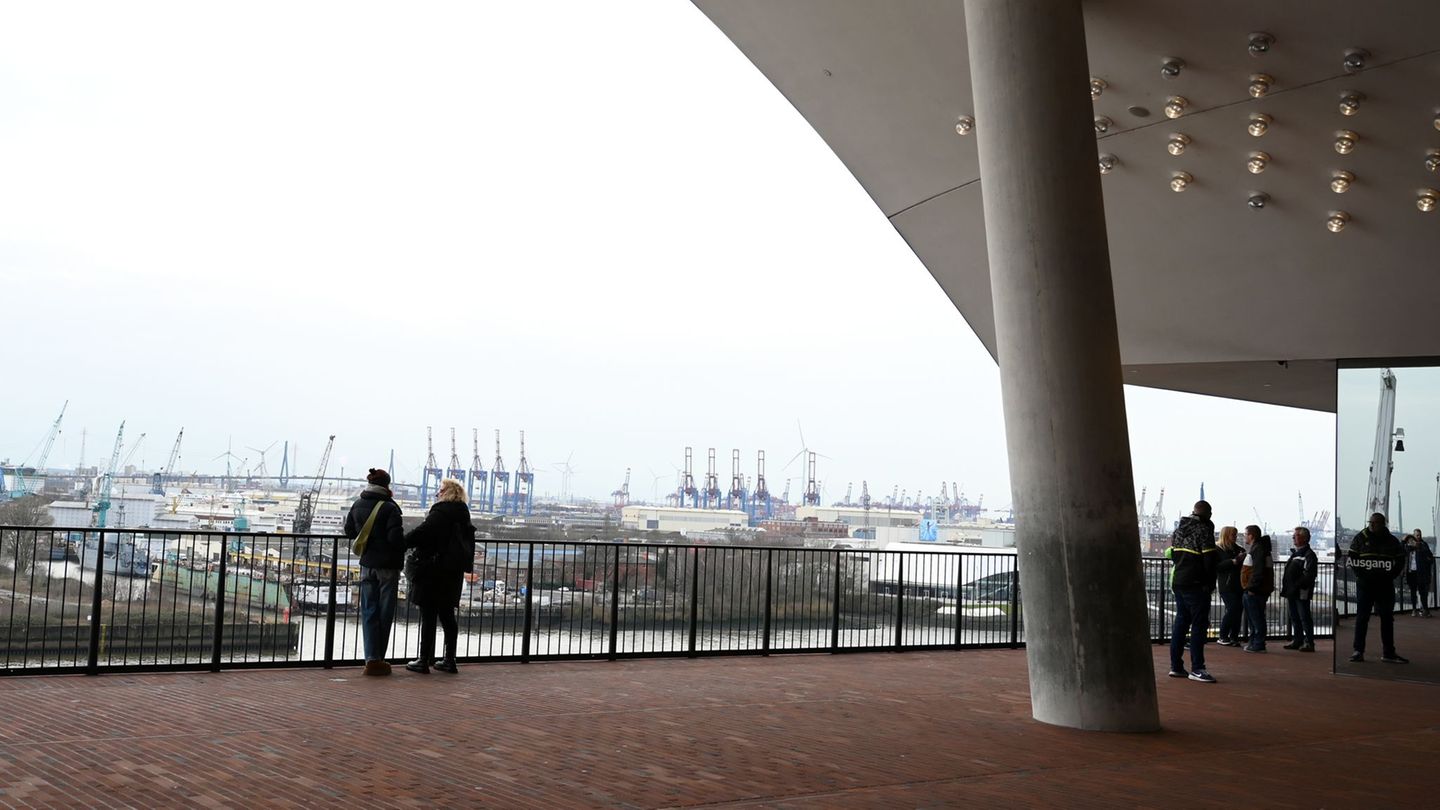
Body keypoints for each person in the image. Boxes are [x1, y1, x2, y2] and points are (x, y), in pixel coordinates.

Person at [404, 478, 476, 674]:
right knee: (447, 615)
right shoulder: (463, 513)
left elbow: (423, 533)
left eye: (441, 490)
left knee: (428, 614)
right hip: (453, 571)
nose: (438, 494)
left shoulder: (441, 512)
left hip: (433, 569)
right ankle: (449, 659)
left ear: (448, 493)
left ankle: (424, 659)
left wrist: (402, 542)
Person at [343, 468, 406, 677]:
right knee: (385, 612)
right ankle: (378, 659)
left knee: (369, 611)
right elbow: (395, 540)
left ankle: (371, 658)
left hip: (367, 564)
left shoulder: (358, 504)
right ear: (387, 486)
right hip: (387, 566)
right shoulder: (389, 508)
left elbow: (350, 531)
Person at [1166, 500, 1219, 683]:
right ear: (1208, 513)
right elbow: (1210, 560)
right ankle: (1197, 668)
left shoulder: (1178, 530)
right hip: (1197, 584)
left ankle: (1176, 666)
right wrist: (1209, 584)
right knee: (1199, 625)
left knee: (1181, 623)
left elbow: (1173, 554)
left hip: (1179, 581)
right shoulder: (1204, 530)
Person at [1346, 513, 1407, 664]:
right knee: (1362, 618)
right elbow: (1352, 558)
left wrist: (1390, 575)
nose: (1372, 525)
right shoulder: (1360, 537)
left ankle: (1388, 652)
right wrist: (1362, 575)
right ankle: (1358, 651)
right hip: (1365, 585)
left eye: (1375, 523)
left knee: (1387, 618)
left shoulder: (1392, 541)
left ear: (1383, 523)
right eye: (1370, 522)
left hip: (1384, 585)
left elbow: (1400, 560)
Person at [1280, 526, 1318, 652]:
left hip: (1301, 591)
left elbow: (1309, 575)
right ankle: (1298, 640)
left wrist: (1297, 585)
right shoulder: (1296, 553)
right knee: (1294, 616)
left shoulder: (1309, 555)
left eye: (1295, 535)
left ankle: (1309, 642)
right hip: (1292, 591)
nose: (1293, 538)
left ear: (1304, 538)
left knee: (1304, 616)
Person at [1241, 527, 1274, 653]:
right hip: (1258, 589)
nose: (1244, 537)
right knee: (1256, 617)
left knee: (1256, 617)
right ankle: (1255, 642)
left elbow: (1258, 571)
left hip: (1255, 590)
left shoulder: (1258, 549)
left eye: (1245, 534)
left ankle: (1258, 643)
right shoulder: (1261, 548)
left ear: (1251, 535)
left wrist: (1251, 588)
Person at [1214, 526, 1246, 646]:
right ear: (1226, 535)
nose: (1236, 537)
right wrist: (1233, 561)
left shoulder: (1239, 549)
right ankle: (1223, 635)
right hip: (1226, 585)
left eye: (1236, 535)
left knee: (1238, 610)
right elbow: (1217, 567)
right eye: (1233, 535)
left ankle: (1234, 637)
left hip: (1239, 584)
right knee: (1233, 609)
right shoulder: (1218, 549)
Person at [1404, 529, 1434, 617]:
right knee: (1413, 592)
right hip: (1411, 573)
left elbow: (1430, 557)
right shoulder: (1409, 546)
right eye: (1417, 535)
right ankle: (1414, 609)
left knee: (1423, 592)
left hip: (1420, 573)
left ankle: (1425, 609)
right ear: (1413, 536)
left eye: (1420, 535)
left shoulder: (1424, 545)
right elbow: (1403, 552)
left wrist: (1419, 548)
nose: (1419, 537)